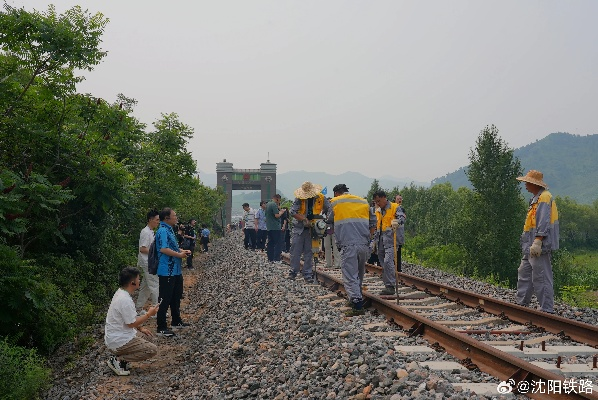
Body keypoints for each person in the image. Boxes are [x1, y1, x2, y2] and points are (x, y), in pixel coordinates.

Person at [328, 184, 376, 316]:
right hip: (363, 244)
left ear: (337, 193)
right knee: (359, 273)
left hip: (348, 244)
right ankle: (355, 297)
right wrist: (368, 239)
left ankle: (357, 305)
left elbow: (329, 222)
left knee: (349, 275)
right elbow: (373, 223)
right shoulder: (363, 202)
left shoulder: (336, 203)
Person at [515, 170, 560, 314]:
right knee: (525, 272)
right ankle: (521, 303)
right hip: (530, 244)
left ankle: (546, 309)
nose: (525, 185)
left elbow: (543, 220)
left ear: (534, 183)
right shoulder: (536, 198)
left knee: (541, 275)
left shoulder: (545, 197)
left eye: (527, 182)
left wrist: (538, 240)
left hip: (538, 244)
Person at [105, 267, 159, 376]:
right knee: (151, 350)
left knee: (148, 337)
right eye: (138, 279)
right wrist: (149, 314)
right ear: (132, 282)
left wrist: (141, 328)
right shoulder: (124, 300)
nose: (139, 281)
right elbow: (131, 323)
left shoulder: (121, 293)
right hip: (118, 340)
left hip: (118, 335)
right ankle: (119, 360)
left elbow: (129, 319)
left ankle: (123, 359)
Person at [155, 208, 191, 336]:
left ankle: (176, 321)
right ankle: (161, 327)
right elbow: (164, 249)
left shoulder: (170, 229)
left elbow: (172, 247)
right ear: (167, 218)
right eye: (174, 216)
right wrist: (179, 255)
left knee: (176, 296)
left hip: (175, 270)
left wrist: (181, 251)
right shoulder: (163, 230)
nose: (176, 218)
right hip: (167, 270)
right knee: (164, 298)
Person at [289, 181, 331, 283]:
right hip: (299, 228)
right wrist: (303, 219)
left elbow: (329, 208)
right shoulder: (299, 198)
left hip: (314, 228)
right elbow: (292, 212)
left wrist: (326, 221)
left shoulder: (321, 198)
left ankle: (307, 274)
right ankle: (293, 272)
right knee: (296, 251)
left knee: (309, 252)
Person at [372, 190, 406, 295]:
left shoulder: (395, 207)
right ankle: (387, 285)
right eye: (376, 202)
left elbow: (402, 217)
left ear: (384, 198)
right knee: (383, 262)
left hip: (391, 240)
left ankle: (391, 285)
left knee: (388, 262)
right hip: (380, 241)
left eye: (378, 201)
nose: (377, 203)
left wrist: (397, 222)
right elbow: (376, 226)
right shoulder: (377, 211)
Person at [135, 210, 160, 314]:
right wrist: (156, 252)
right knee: (155, 284)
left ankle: (138, 308)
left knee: (146, 287)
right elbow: (142, 249)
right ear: (150, 220)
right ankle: (156, 310)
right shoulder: (145, 232)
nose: (158, 222)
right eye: (157, 220)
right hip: (147, 263)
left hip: (149, 262)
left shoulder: (151, 231)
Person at [265, 194, 285, 263]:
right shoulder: (273, 204)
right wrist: (281, 212)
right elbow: (277, 215)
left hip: (269, 227)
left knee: (270, 243)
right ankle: (276, 259)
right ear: (277, 199)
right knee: (277, 243)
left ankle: (270, 258)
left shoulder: (268, 204)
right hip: (275, 227)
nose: (278, 202)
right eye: (279, 200)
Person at [323, 204, 341, 268]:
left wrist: (326, 220)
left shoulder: (335, 208)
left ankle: (337, 263)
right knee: (328, 246)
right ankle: (329, 263)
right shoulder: (323, 210)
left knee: (334, 246)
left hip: (333, 228)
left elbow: (330, 219)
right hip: (327, 228)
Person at [394, 194, 407, 272]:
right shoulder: (393, 208)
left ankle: (398, 269)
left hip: (400, 234)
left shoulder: (402, 209)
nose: (400, 200)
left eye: (401, 199)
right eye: (398, 199)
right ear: (395, 200)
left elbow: (404, 218)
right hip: (393, 234)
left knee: (398, 252)